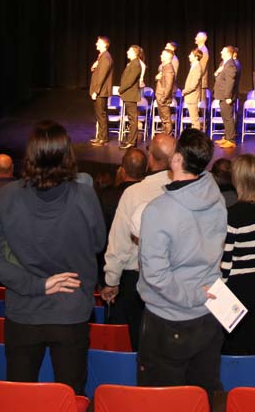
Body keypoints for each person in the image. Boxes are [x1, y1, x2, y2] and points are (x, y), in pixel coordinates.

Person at [0, 120, 106, 394]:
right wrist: (42, 283)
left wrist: (35, 283)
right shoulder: (84, 195)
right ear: (67, 155)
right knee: (69, 396)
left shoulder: (6, 197)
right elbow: (98, 244)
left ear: (30, 155)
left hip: (26, 313)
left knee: (21, 397)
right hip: (66, 312)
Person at [136, 127, 228, 401]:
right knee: (202, 396)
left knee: (162, 400)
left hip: (169, 321)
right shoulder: (217, 198)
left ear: (176, 160)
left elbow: (156, 276)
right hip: (209, 314)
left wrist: (191, 296)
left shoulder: (158, 211)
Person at [103, 134, 176, 349]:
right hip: (173, 277)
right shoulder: (187, 191)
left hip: (135, 278)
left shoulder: (134, 193)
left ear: (151, 159)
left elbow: (120, 242)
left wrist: (111, 280)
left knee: (139, 341)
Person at [220, 154, 255, 355]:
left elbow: (227, 260)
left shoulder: (232, 214)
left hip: (236, 285)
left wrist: (220, 289)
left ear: (237, 179)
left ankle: (234, 384)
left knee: (233, 342)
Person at [100, 148, 147, 238]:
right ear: (146, 169)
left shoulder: (108, 196)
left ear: (122, 170)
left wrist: (117, 183)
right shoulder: (151, 195)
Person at [89, 36, 114, 144]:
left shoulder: (105, 57)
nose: (96, 44)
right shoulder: (101, 56)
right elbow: (98, 72)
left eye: (98, 42)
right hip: (99, 91)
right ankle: (100, 136)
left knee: (101, 115)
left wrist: (96, 91)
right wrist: (93, 68)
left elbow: (102, 76)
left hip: (101, 91)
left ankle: (103, 138)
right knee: (99, 115)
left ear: (104, 44)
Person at [214, 45, 240, 148]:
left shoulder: (230, 65)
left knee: (228, 118)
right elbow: (217, 76)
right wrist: (217, 72)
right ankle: (227, 137)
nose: (221, 52)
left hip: (226, 96)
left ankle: (231, 140)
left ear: (228, 53)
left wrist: (228, 96)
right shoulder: (223, 63)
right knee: (225, 117)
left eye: (223, 51)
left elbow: (230, 82)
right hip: (221, 94)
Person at [119, 46, 145, 149]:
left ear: (134, 52)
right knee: (132, 118)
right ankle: (131, 140)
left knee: (133, 119)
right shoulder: (133, 63)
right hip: (128, 94)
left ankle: (131, 141)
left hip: (130, 94)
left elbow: (129, 81)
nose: (127, 52)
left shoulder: (135, 64)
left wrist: (121, 89)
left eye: (129, 50)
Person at [154, 48, 177, 136]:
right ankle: (163, 139)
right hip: (160, 96)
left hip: (163, 98)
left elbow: (169, 86)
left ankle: (167, 139)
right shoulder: (164, 68)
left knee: (166, 120)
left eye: (163, 54)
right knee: (163, 120)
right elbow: (161, 81)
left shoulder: (169, 69)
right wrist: (157, 78)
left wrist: (163, 98)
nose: (161, 55)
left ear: (168, 56)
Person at [183, 49, 204, 131]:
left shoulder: (197, 68)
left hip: (192, 97)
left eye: (191, 55)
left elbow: (193, 85)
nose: (189, 56)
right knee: (193, 120)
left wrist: (184, 91)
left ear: (196, 57)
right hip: (190, 96)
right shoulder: (193, 66)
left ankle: (196, 138)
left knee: (195, 120)